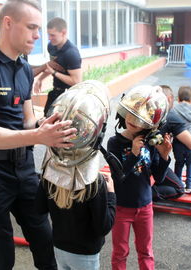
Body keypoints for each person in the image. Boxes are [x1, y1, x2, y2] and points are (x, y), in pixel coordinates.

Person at [0, 1, 77, 269]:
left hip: (23, 167)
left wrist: (45, 125)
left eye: (39, 29)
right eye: (32, 27)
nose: (38, 35)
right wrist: (38, 136)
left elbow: (26, 120)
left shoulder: (24, 68)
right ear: (8, 23)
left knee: (44, 238)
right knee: (1, 252)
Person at [36, 80, 116, 270]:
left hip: (59, 249)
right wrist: (111, 195)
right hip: (86, 254)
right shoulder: (94, 183)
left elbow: (38, 208)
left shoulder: (49, 173)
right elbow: (103, 226)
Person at [107, 85, 172, 270]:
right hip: (122, 207)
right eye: (131, 113)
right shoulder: (115, 143)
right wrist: (134, 154)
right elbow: (118, 177)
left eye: (139, 117)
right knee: (120, 252)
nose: (132, 120)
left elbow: (158, 178)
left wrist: (165, 155)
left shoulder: (151, 142)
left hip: (145, 206)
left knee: (146, 251)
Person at [152, 85, 191, 201]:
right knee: (179, 188)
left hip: (139, 158)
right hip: (154, 163)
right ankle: (145, 193)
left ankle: (143, 189)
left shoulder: (149, 112)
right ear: (170, 98)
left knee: (178, 163)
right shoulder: (171, 116)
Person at [33, 17, 82, 116]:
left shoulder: (71, 53)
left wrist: (54, 73)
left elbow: (76, 81)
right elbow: (53, 66)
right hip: (56, 91)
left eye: (52, 35)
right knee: (46, 117)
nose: (49, 38)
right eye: (48, 34)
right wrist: (40, 79)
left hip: (70, 95)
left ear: (63, 33)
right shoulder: (51, 46)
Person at [173, 86, 191, 193]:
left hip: (178, 142)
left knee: (179, 163)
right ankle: (190, 184)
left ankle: (178, 184)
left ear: (178, 99)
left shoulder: (175, 110)